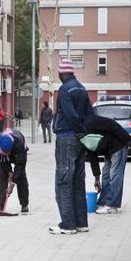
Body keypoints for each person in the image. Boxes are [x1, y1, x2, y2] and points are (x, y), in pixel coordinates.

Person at [49, 59, 94, 235]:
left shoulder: (65, 89)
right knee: (78, 181)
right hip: (80, 141)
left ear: (62, 73)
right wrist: (84, 133)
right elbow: (90, 115)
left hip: (67, 137)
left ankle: (67, 225)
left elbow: (71, 115)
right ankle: (82, 223)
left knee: (64, 180)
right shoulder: (82, 88)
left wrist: (77, 130)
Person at [85, 116, 131, 214]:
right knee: (106, 174)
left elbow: (112, 124)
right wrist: (97, 179)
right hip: (109, 150)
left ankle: (112, 206)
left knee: (115, 174)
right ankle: (103, 202)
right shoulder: (82, 138)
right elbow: (92, 157)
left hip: (119, 144)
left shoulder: (90, 120)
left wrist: (127, 138)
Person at [0, 129, 29, 214]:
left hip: (17, 155)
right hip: (2, 158)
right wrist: (9, 172)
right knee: (2, 176)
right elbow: (0, 161)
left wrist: (12, 183)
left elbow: (20, 166)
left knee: (21, 177)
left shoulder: (19, 144)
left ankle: (24, 204)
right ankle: (0, 205)